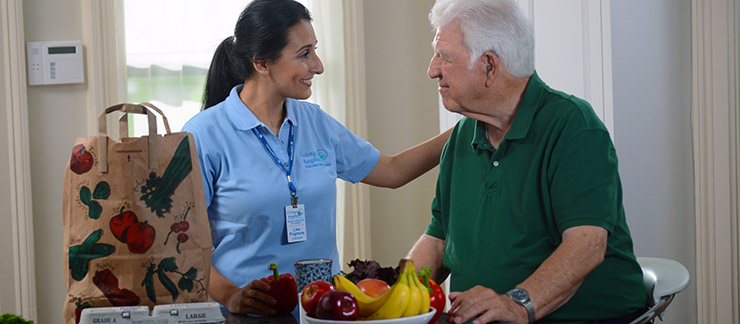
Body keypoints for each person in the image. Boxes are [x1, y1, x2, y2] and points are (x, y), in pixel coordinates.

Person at [182, 0, 450, 316]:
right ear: (262, 62)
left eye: (315, 50)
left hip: (322, 311)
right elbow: (181, 243)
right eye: (304, 54)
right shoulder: (205, 134)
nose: (318, 65)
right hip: (244, 315)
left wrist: (463, 129)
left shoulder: (316, 122)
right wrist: (230, 295)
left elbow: (391, 171)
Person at [406, 0, 648, 323]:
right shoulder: (463, 136)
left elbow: (586, 245)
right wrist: (394, 294)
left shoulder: (573, 127)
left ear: (489, 66)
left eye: (444, 56)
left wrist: (517, 304)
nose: (432, 69)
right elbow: (437, 242)